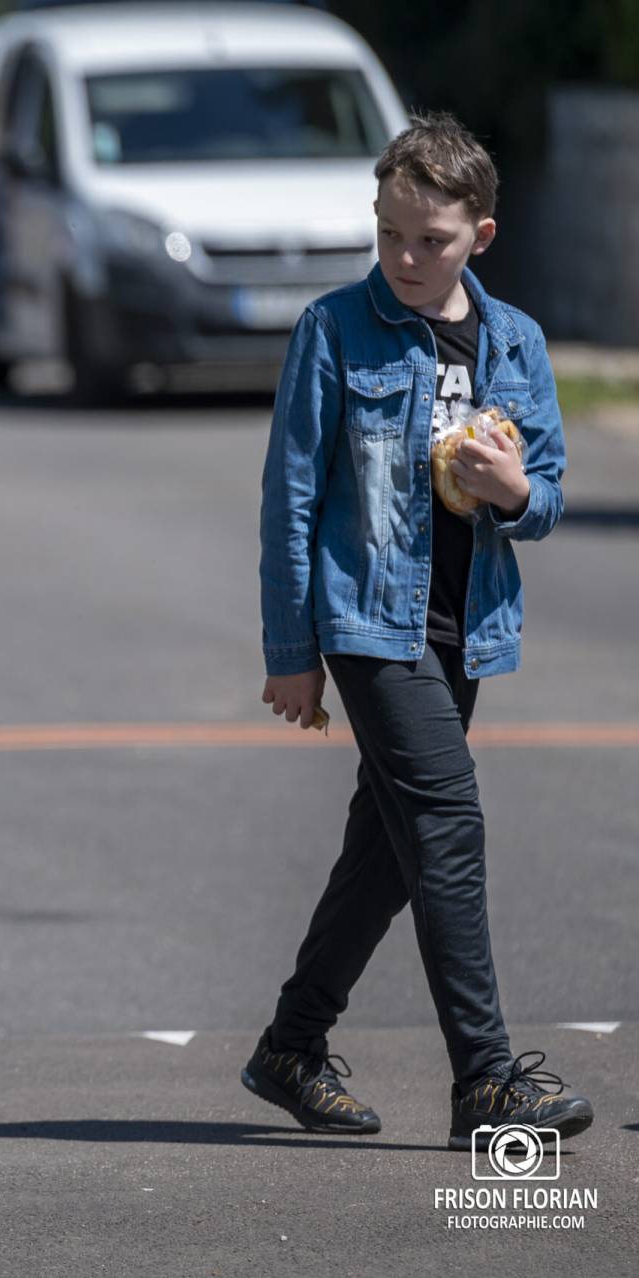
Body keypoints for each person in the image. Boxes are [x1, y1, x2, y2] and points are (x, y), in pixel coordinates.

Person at [248, 113, 592, 1148]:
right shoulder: (332, 329)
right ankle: (485, 1083)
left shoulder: (515, 342)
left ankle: (290, 1046)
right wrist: (291, 654)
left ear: (478, 235)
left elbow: (548, 499)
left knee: (387, 852)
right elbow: (290, 499)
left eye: (429, 240)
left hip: (463, 629)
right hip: (367, 622)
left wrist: (511, 487)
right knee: (446, 823)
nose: (403, 257)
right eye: (389, 233)